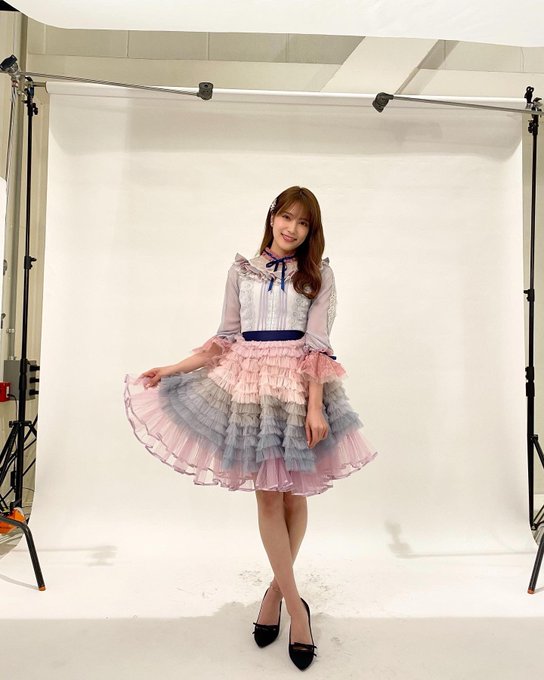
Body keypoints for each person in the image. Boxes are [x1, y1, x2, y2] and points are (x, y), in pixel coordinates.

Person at [123, 185, 378, 670]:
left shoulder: (318, 274)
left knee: (294, 497)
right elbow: (223, 339)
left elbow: (318, 344)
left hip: (297, 388)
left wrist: (316, 407)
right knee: (268, 498)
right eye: (287, 217)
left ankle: (275, 596)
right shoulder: (241, 270)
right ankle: (296, 609)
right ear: (272, 217)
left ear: (311, 230)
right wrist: (172, 368)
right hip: (249, 389)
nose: (292, 229)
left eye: (303, 223)